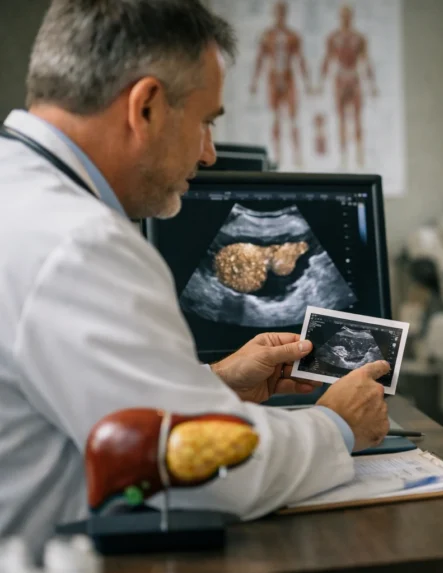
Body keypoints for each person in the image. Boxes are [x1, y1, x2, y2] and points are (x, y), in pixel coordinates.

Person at [0, 0, 390, 552]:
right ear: (146, 107)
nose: (209, 154)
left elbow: (94, 399)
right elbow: (204, 473)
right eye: (207, 121)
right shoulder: (80, 242)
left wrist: (217, 381)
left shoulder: (18, 196)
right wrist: (337, 426)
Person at [250, 1, 311, 169]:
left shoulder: (293, 36)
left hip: (288, 78)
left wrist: (307, 83)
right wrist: (254, 82)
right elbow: (260, 59)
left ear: (286, 13)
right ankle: (278, 157)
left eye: (282, 12)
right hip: (273, 78)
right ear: (274, 13)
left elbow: (300, 59)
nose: (280, 15)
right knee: (275, 119)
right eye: (278, 11)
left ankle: (297, 157)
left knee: (293, 119)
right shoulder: (267, 35)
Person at [318, 4, 378, 169]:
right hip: (340, 79)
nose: (345, 19)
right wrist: (321, 83)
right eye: (343, 16)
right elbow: (327, 60)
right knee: (341, 119)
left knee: (357, 118)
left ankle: (359, 156)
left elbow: (366, 60)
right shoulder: (333, 38)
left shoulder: (359, 38)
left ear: (351, 17)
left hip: (354, 78)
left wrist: (372, 84)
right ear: (340, 17)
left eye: (348, 16)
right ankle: (344, 157)